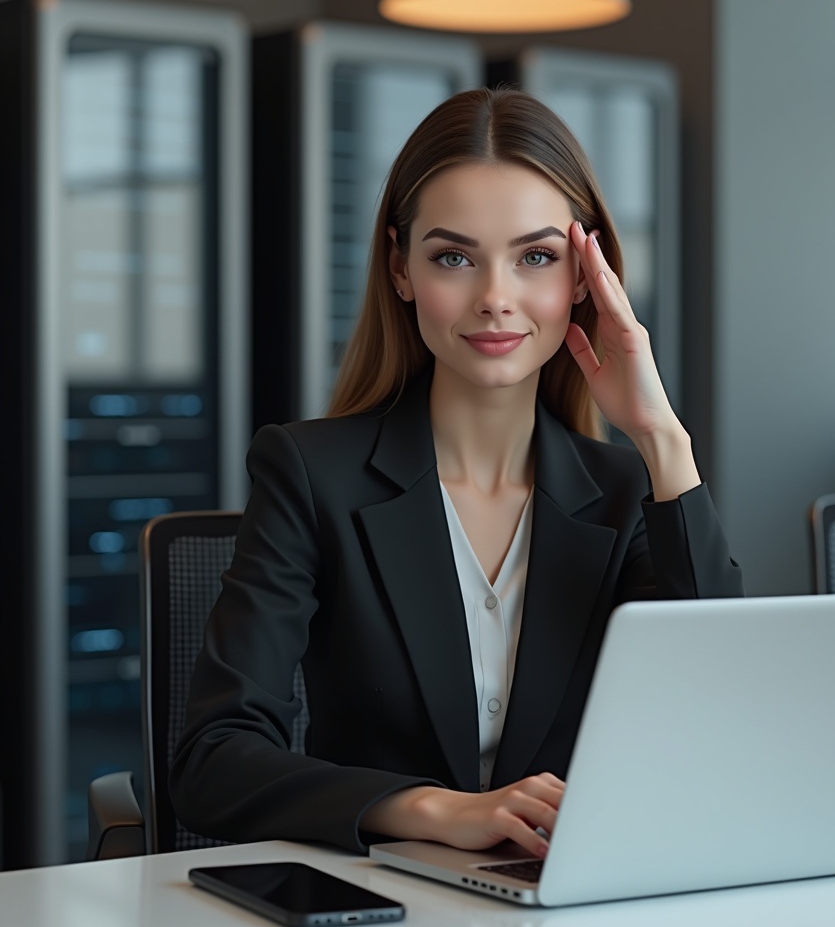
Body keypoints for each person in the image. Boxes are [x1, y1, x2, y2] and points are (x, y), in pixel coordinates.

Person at [169, 88, 743, 860]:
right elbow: (214, 761)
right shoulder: (312, 474)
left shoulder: (625, 493)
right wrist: (435, 811)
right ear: (401, 269)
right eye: (453, 258)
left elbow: (718, 706)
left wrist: (661, 437)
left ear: (584, 275)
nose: (496, 299)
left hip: (574, 906)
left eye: (535, 257)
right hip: (381, 907)